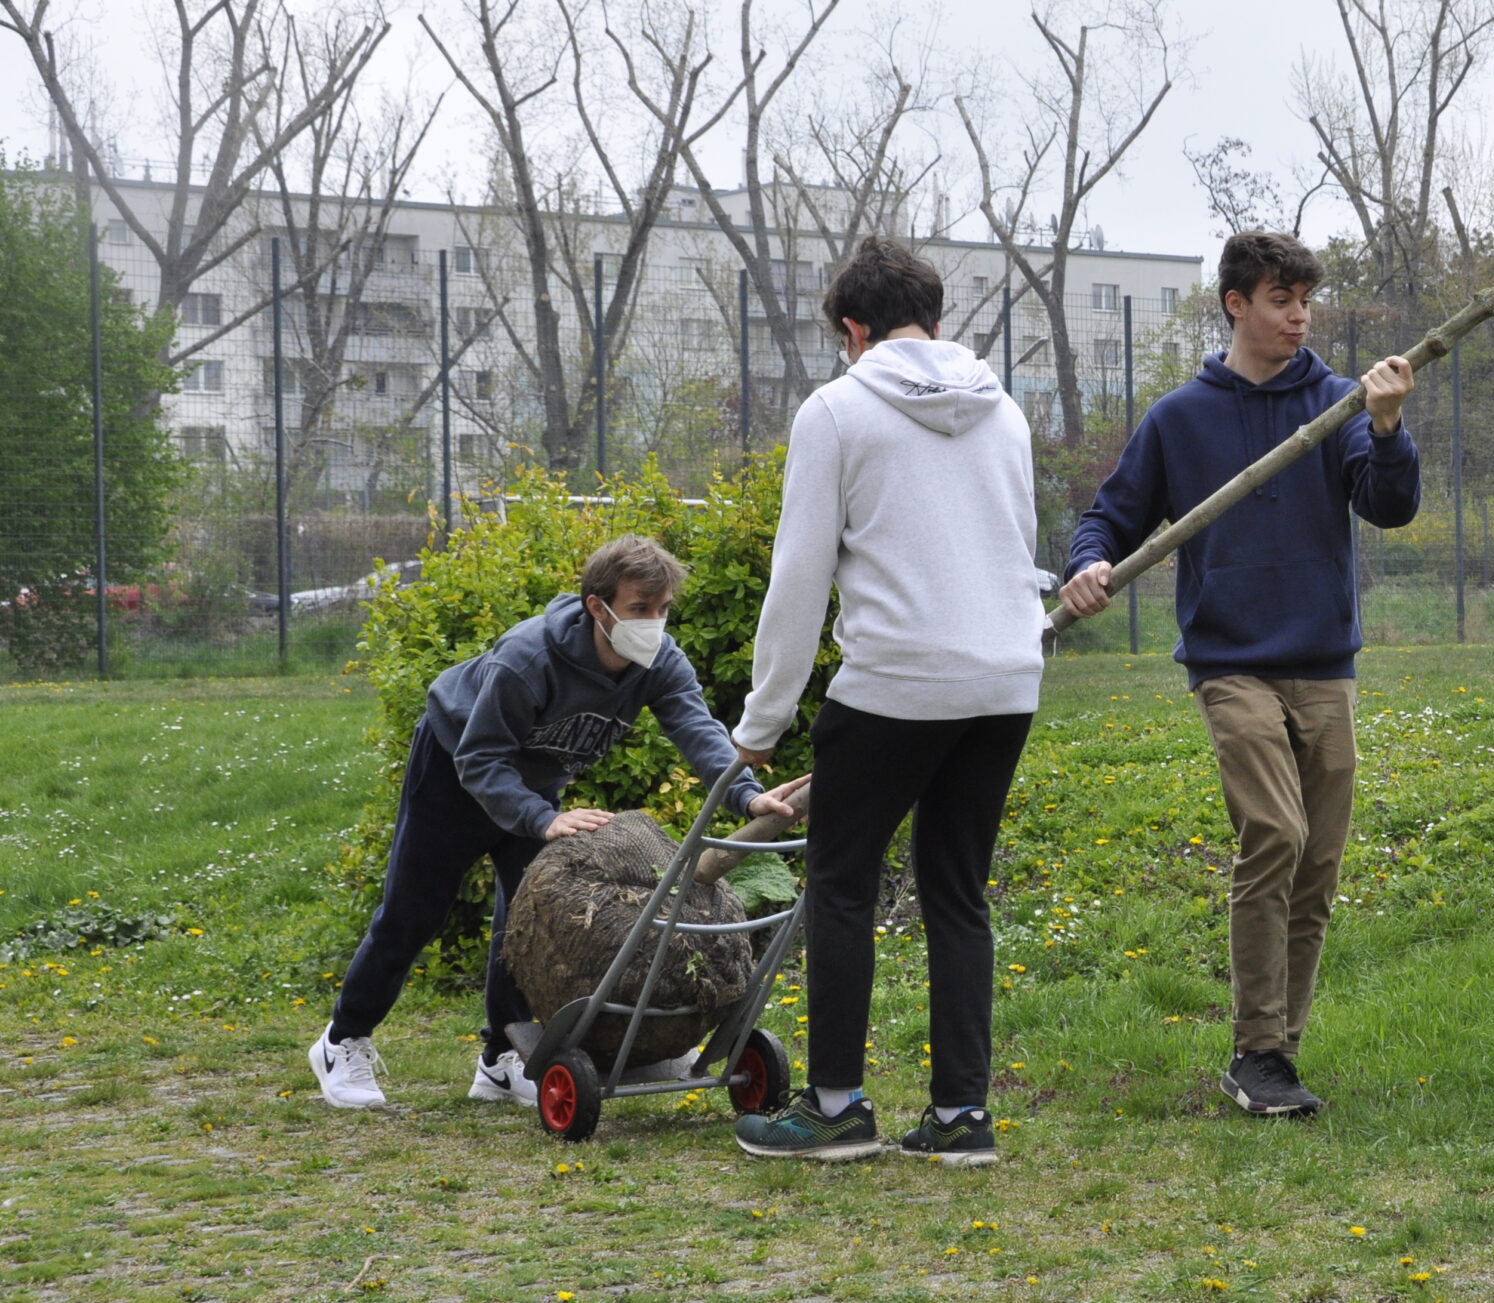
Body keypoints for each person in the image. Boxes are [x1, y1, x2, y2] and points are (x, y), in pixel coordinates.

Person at [1058, 231, 1419, 1118]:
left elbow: (1390, 506)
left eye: (1306, 301)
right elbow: (1111, 514)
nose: (1299, 317)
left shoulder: (1336, 403)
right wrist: (1089, 564)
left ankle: (1275, 1057)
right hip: (1231, 664)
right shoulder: (1180, 418)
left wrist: (1384, 426)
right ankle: (1257, 1047)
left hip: (1324, 665)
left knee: (1318, 866)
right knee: (1275, 835)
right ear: (1235, 304)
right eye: (1280, 300)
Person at [728, 236, 1045, 1166]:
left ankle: (834, 1108)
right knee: (958, 891)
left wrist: (763, 723)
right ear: (937, 322)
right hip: (1003, 680)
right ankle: (961, 1117)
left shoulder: (836, 410)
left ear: (852, 330)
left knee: (840, 882)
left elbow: (800, 576)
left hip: (897, 682)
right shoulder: (1006, 413)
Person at [311, 535, 800, 1110]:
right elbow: (480, 757)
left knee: (531, 920)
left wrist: (746, 797)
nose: (655, 622)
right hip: (456, 766)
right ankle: (343, 1040)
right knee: (414, 911)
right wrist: (540, 819)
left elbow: (699, 732)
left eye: (663, 609)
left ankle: (501, 1057)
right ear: (599, 606)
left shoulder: (659, 661)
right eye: (641, 609)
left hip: (537, 779)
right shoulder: (529, 658)